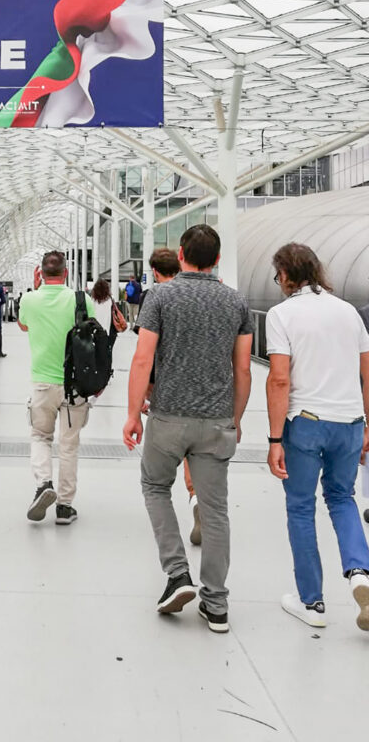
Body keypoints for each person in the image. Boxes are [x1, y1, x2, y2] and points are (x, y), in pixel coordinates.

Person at [124, 225, 252, 634]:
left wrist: (132, 414)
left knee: (155, 486)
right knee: (215, 511)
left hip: (167, 418)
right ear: (217, 259)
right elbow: (243, 369)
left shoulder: (160, 296)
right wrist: (236, 418)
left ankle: (178, 573)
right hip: (216, 421)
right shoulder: (236, 301)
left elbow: (143, 359)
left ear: (181, 255)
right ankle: (216, 604)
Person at [265, 242, 369, 631]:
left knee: (300, 507)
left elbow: (279, 379)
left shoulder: (282, 314)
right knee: (342, 498)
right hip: (350, 422)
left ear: (285, 275)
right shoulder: (348, 312)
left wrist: (275, 440)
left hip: (306, 422)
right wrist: (367, 425)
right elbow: (367, 371)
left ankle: (312, 602)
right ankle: (360, 573)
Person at [18, 251, 96, 526]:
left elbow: (23, 325)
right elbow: (91, 333)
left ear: (40, 273)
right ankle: (64, 507)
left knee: (40, 436)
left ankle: (43, 484)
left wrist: (35, 288)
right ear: (66, 273)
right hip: (75, 384)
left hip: (42, 383)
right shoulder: (81, 300)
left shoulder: (29, 299)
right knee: (69, 445)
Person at [135, 249, 202, 545]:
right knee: (193, 449)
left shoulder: (154, 297)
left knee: (158, 470)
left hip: (164, 388)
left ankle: (174, 558)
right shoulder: (200, 294)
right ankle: (196, 496)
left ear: (155, 271)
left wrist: (142, 393)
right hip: (200, 387)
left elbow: (145, 352)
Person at [89, 278, 127, 360]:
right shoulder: (110, 299)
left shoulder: (92, 299)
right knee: (108, 353)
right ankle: (108, 366)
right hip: (108, 332)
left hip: (95, 330)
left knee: (96, 354)